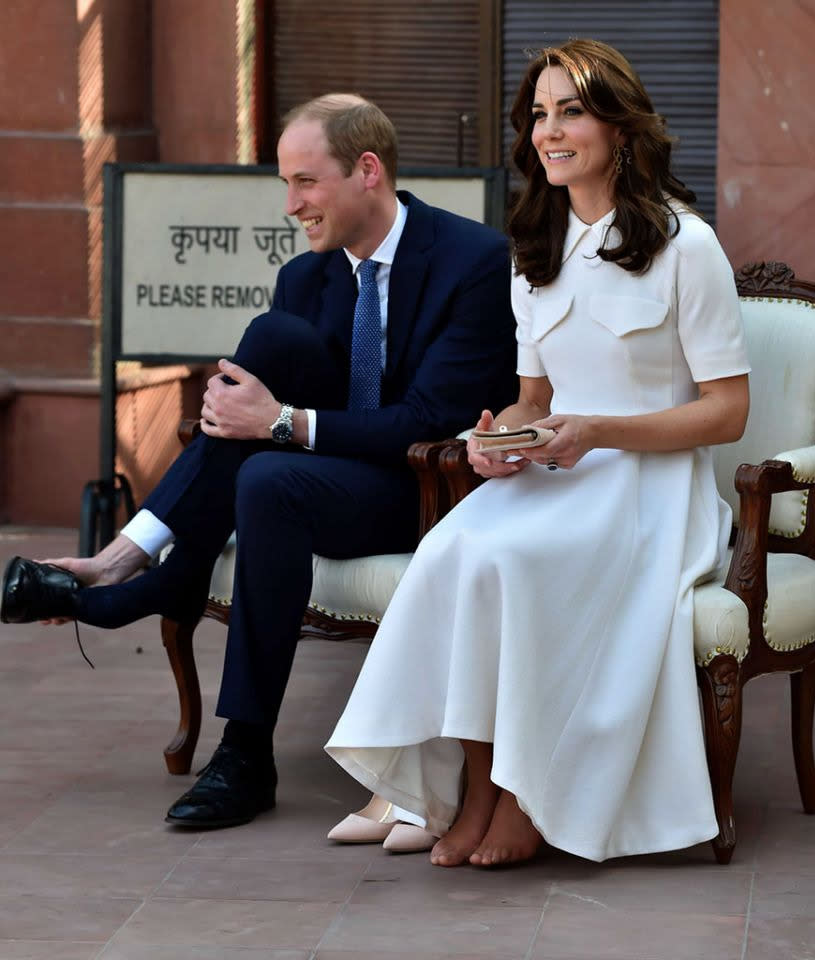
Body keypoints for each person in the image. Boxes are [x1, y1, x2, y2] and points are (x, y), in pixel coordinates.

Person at [0, 94, 518, 833]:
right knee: (270, 400)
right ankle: (245, 750)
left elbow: (428, 421)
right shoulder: (306, 278)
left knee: (269, 456)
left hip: (428, 488)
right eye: (285, 183)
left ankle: (143, 571)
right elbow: (268, 431)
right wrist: (276, 427)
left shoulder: (472, 260)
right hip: (327, 479)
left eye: (305, 182)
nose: (290, 204)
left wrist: (281, 422)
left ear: (367, 171)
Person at [325, 39, 751, 868]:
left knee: (510, 561)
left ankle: (523, 797)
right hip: (558, 473)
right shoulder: (536, 254)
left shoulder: (685, 247)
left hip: (650, 491)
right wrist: (496, 439)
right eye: (540, 115)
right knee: (452, 549)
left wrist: (598, 433)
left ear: (619, 128)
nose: (550, 131)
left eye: (572, 112)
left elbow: (728, 412)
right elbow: (538, 401)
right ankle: (479, 788)